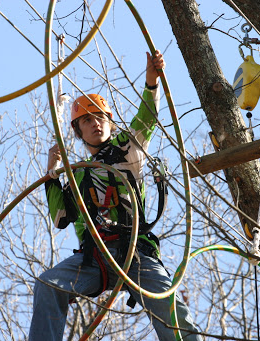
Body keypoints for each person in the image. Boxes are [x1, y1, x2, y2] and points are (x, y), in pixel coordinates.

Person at [29, 51, 201, 341]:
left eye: (99, 118)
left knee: (172, 311)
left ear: (110, 122)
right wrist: (52, 176)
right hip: (94, 258)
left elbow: (146, 119)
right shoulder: (78, 174)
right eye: (87, 121)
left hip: (136, 252)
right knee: (48, 285)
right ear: (78, 132)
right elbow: (60, 218)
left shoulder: (127, 150)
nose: (95, 124)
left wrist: (151, 82)